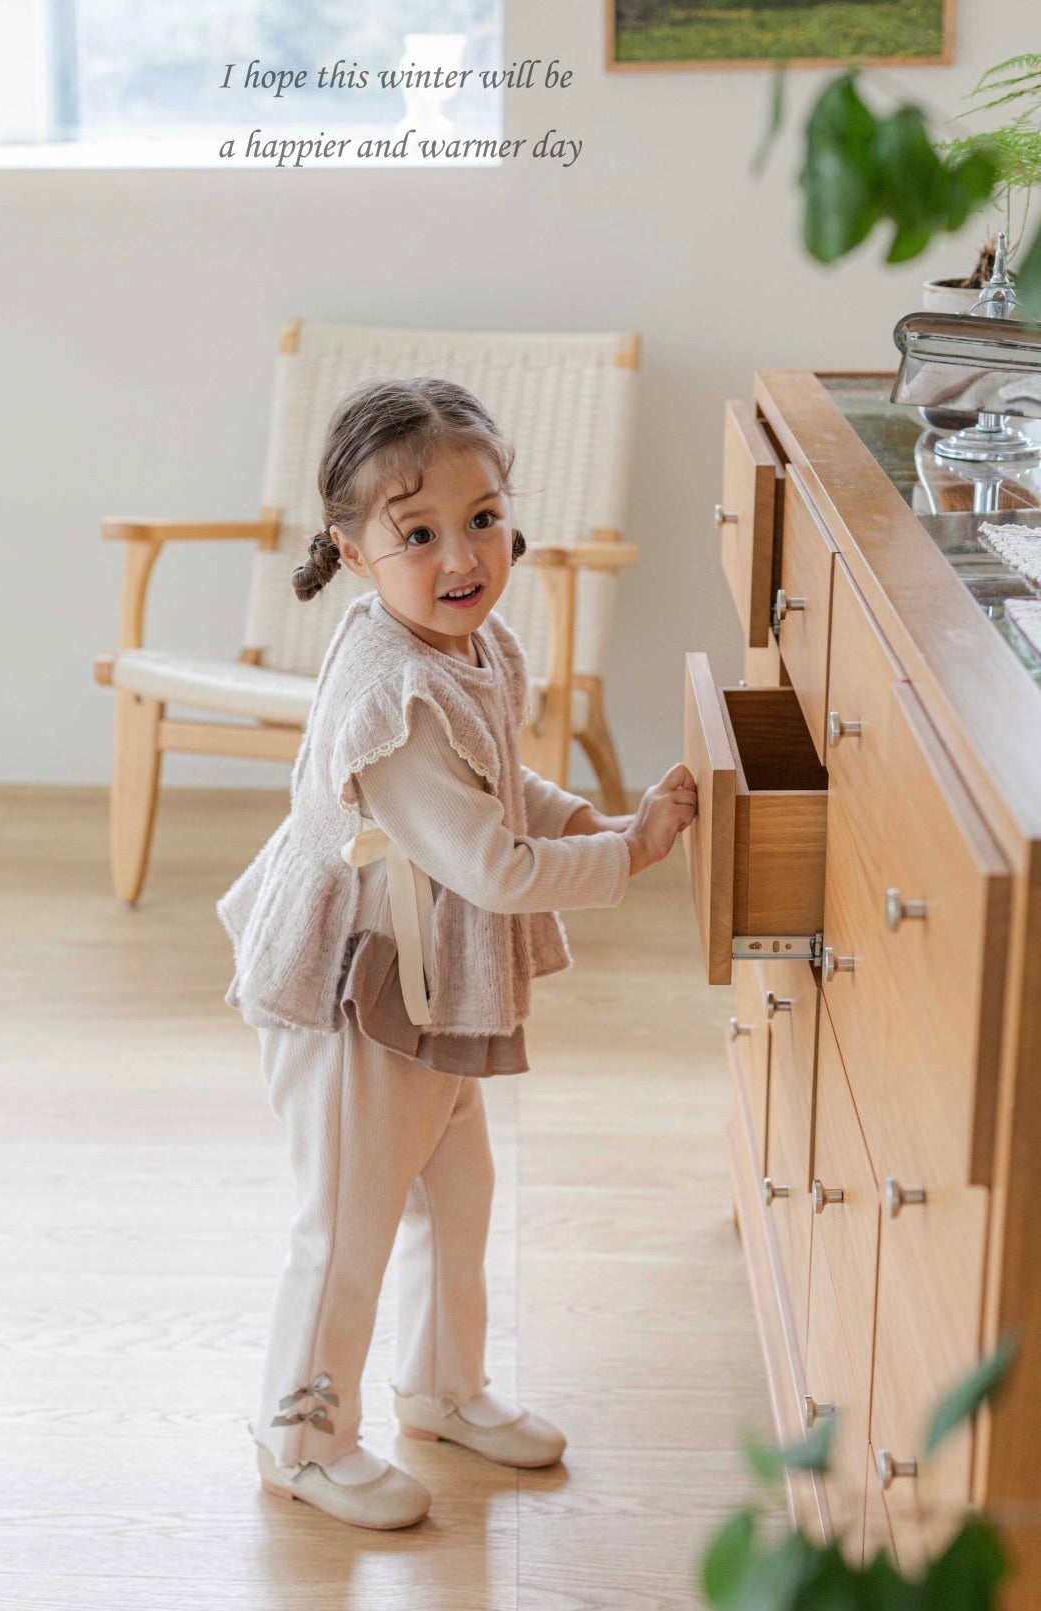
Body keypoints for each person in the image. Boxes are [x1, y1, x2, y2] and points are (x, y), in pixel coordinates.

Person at [217, 376, 697, 1531]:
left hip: (428, 979)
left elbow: (501, 786)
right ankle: (301, 1435)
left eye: (481, 517)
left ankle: (438, 1388)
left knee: (456, 1191)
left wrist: (586, 817)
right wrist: (628, 854)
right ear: (352, 549)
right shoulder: (394, 694)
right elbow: (492, 865)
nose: (460, 555)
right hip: (356, 992)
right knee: (347, 1221)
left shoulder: (470, 649)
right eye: (416, 533)